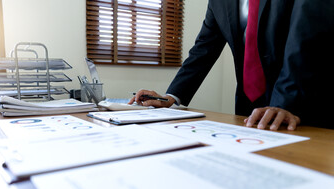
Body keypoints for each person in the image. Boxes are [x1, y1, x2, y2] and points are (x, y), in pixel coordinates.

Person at [129, 0, 334, 130]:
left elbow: (307, 38)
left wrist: (284, 104)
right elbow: (203, 50)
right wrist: (171, 97)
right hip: (250, 110)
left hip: (302, 107)